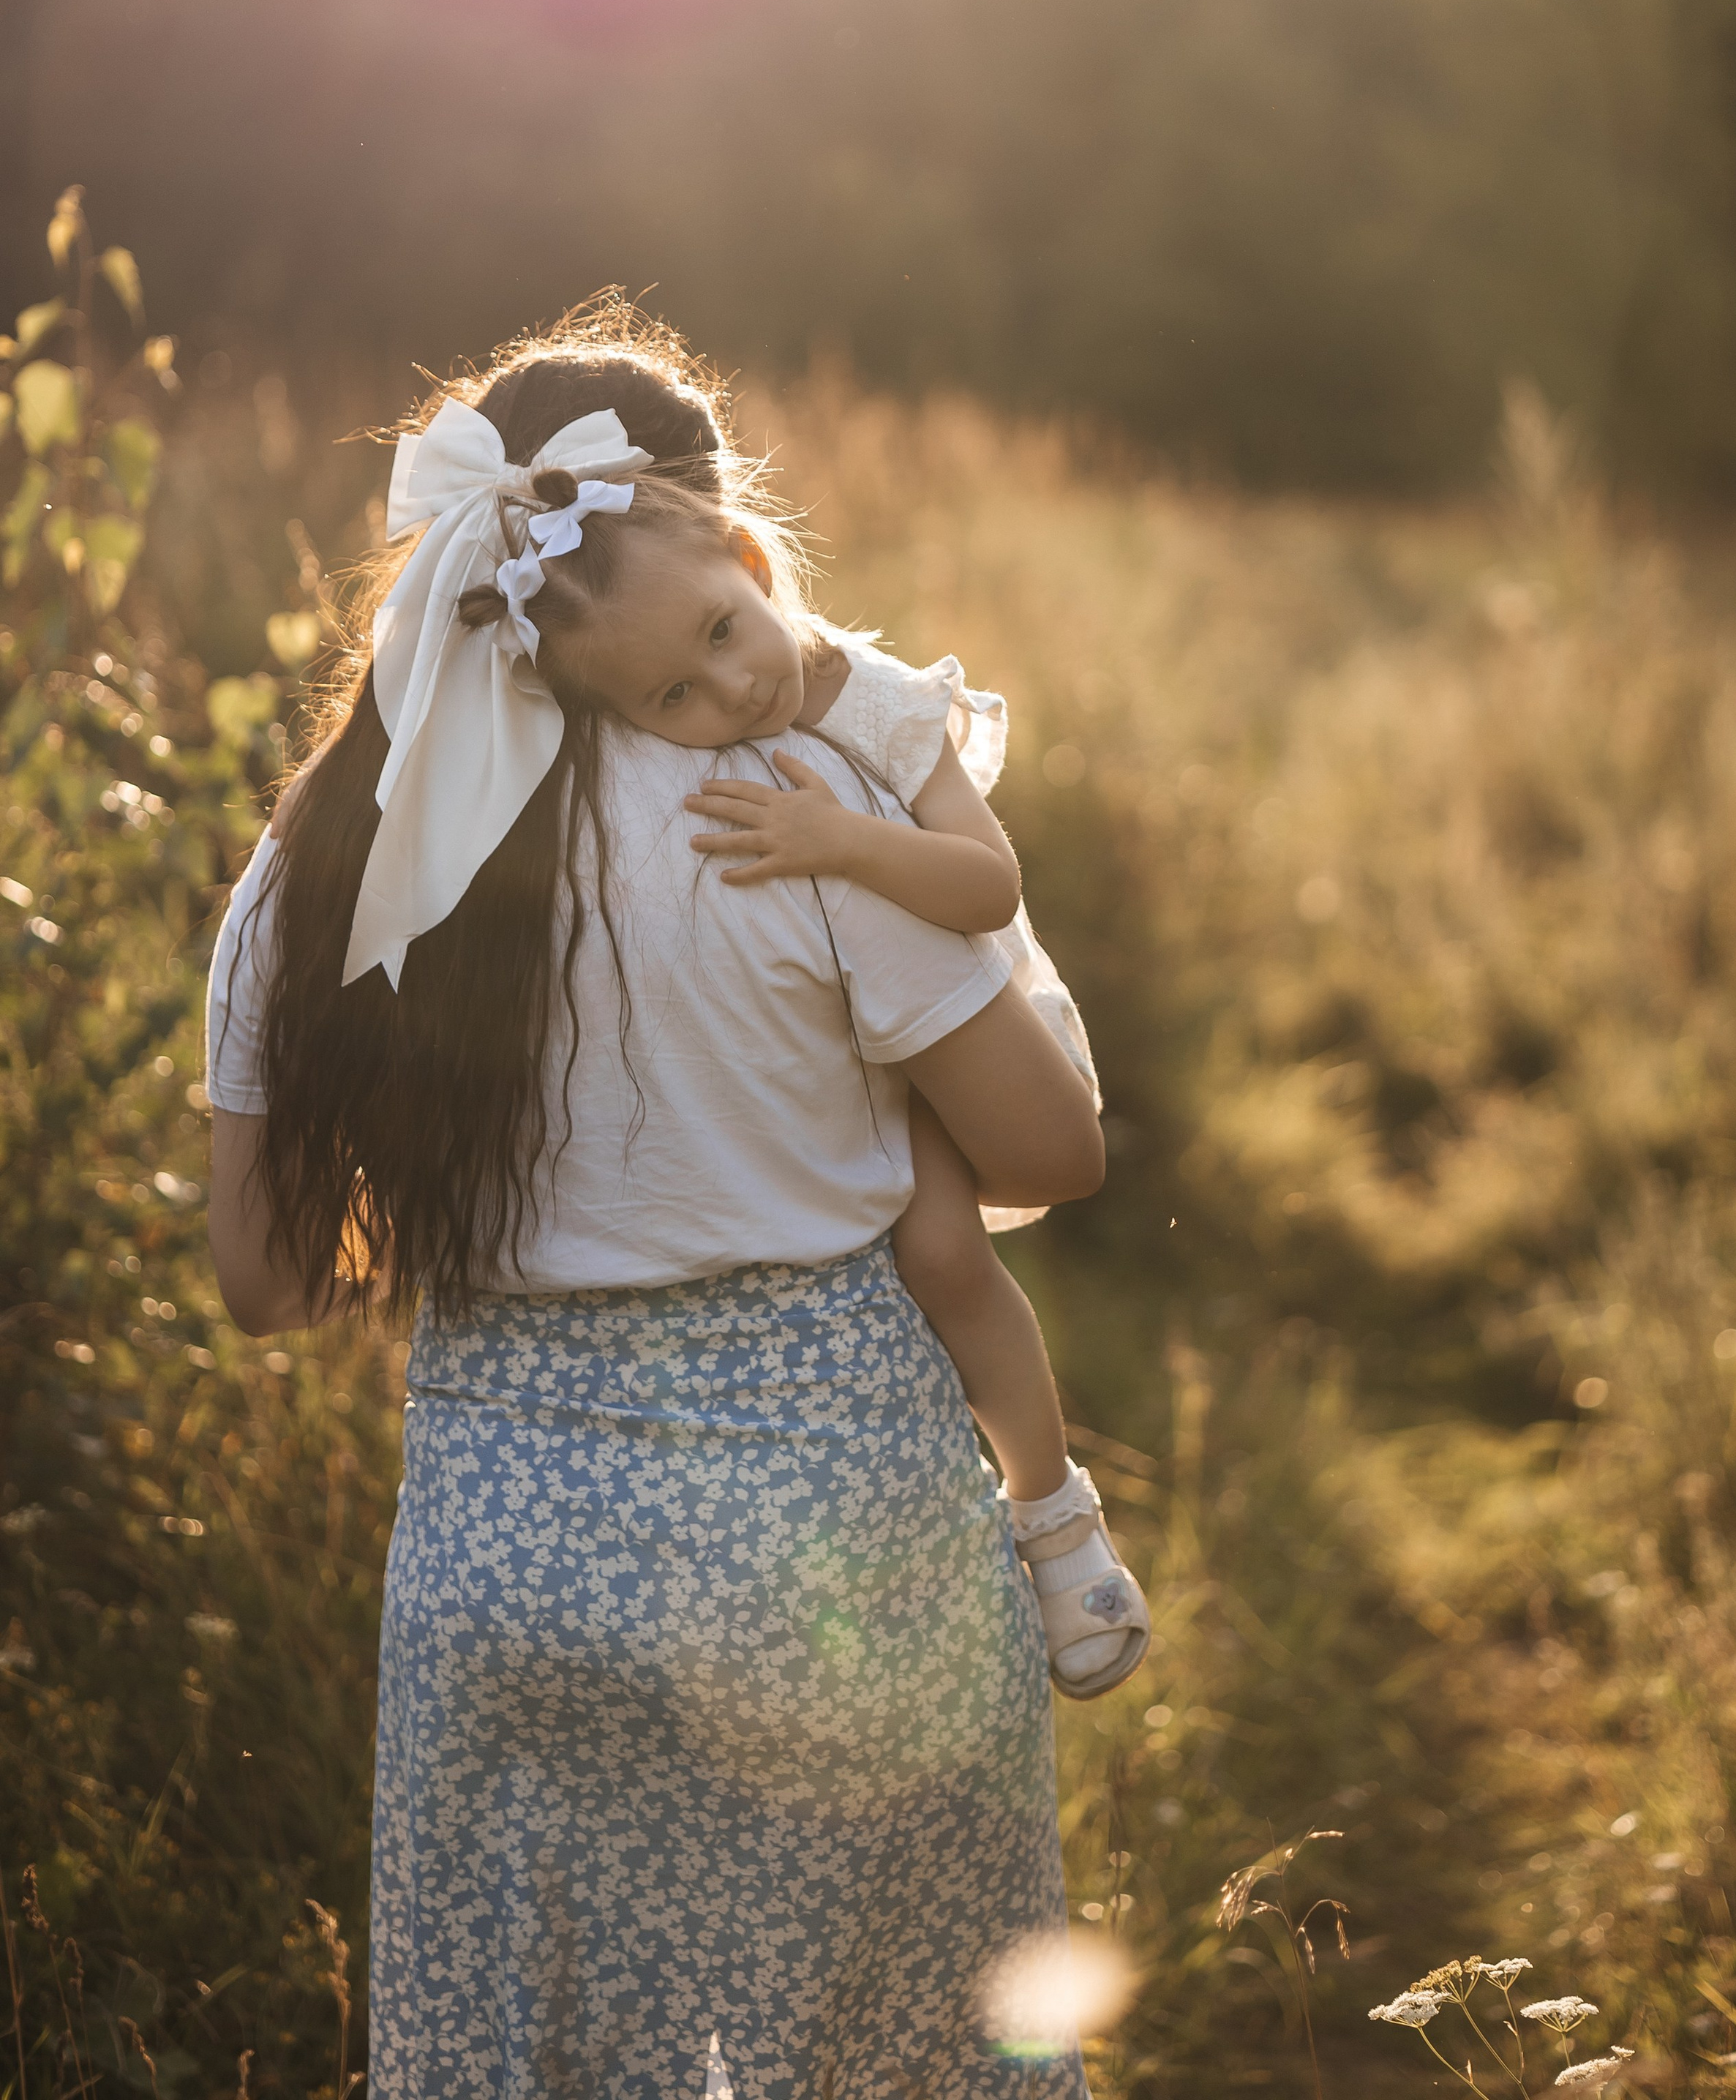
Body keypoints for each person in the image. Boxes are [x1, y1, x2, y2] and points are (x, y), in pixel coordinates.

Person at [205, 306, 1116, 2098]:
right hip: (832, 1554)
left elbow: (264, 1278)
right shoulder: (786, 799)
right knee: (903, 2060)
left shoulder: (324, 863)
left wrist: (517, 1199)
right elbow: (1049, 1151)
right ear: (715, 525)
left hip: (508, 1563)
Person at [508, 468, 1150, 1698]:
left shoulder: (887, 705)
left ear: (751, 563)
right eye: (673, 697)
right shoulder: (697, 741)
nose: (734, 689)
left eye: (720, 633)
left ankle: (1056, 1519)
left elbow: (987, 885)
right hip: (851, 1046)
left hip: (965, 1017)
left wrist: (844, 842)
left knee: (948, 1262)